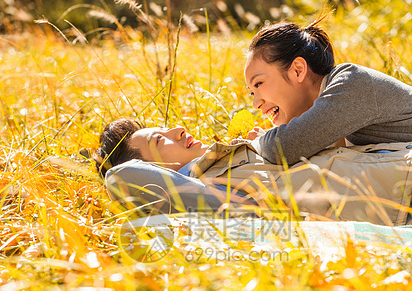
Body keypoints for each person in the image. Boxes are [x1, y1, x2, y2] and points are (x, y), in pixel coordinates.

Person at [95, 118, 412, 225]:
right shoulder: (203, 189)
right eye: (159, 139)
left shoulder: (227, 159)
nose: (178, 129)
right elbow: (121, 178)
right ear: (154, 168)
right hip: (398, 197)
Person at [245, 19, 412, 166]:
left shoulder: (352, 82)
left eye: (258, 84)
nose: (256, 104)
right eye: (252, 92)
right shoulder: (326, 117)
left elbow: (284, 148)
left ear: (297, 70)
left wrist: (259, 141)